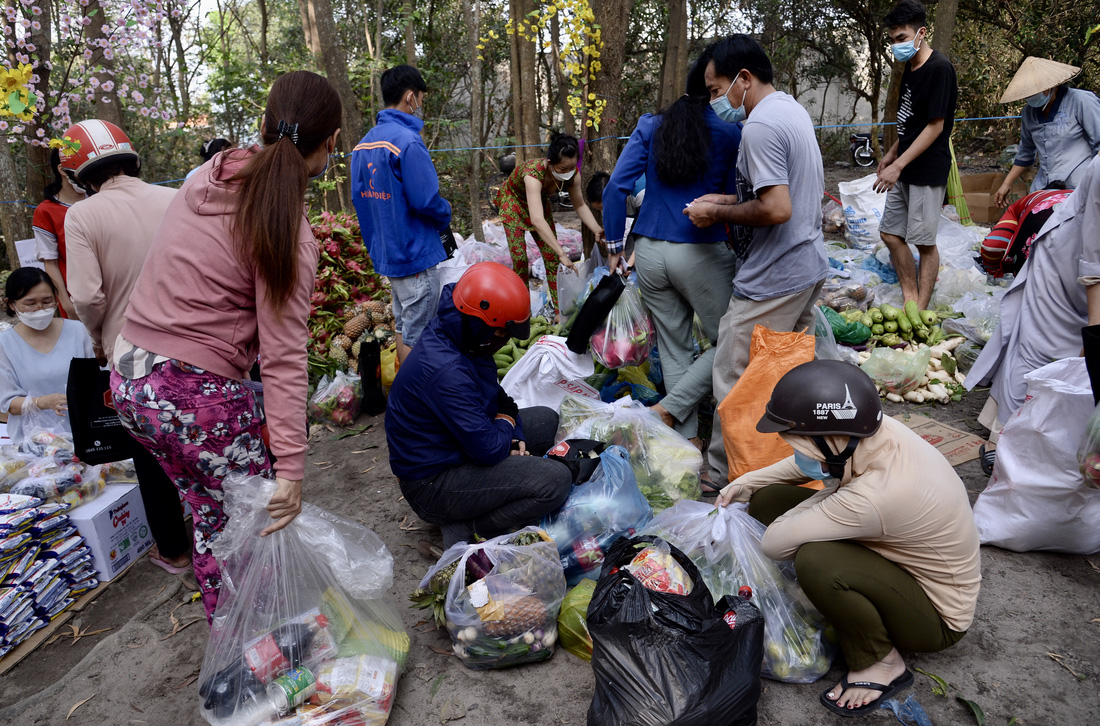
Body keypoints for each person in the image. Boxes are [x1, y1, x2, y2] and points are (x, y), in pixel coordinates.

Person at [110, 71, 339, 619]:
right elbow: (283, 360)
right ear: (331, 143)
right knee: (256, 531)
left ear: (263, 125)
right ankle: (262, 658)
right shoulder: (287, 231)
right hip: (191, 395)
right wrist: (291, 471)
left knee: (215, 518)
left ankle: (231, 655)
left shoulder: (206, 177)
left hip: (130, 381)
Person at [718, 360, 980, 717]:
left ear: (837, 438)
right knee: (767, 498)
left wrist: (819, 501)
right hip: (892, 557)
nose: (797, 452)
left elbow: (774, 543)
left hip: (934, 617)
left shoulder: (880, 494)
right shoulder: (869, 431)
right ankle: (842, 609)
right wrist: (747, 482)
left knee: (818, 562)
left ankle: (881, 663)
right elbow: (819, 461)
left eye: (800, 444)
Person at [682, 34, 828, 485]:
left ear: (743, 79)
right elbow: (777, 191)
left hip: (774, 273)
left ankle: (731, 477)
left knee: (734, 371)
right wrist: (724, 198)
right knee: (787, 374)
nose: (713, 101)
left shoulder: (760, 126)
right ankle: (796, 466)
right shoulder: (790, 110)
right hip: (806, 264)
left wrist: (715, 212)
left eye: (714, 89)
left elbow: (777, 208)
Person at [61, 119, 191, 576]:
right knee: (199, 440)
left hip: (133, 357)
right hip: (197, 344)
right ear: (131, 158)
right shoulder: (175, 198)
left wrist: (98, 338)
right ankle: (224, 532)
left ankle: (175, 551)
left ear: (80, 175)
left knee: (148, 453)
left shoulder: (82, 215)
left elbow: (87, 297)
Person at [603, 50, 741, 456]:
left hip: (646, 250)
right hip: (699, 251)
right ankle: (672, 409)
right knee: (732, 342)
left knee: (675, 344)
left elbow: (615, 189)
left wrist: (614, 247)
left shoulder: (652, 125)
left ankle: (687, 443)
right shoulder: (730, 132)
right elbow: (734, 199)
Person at [386, 262, 572, 548]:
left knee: (547, 419)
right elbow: (487, 448)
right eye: (502, 334)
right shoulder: (446, 370)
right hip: (433, 483)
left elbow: (502, 401)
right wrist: (506, 426)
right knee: (555, 482)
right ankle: (468, 527)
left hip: (455, 448)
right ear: (480, 322)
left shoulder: (462, 335)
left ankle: (494, 490)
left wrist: (511, 430)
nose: (504, 341)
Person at [967, 154, 1100, 462]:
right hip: (1063, 256)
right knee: (1038, 348)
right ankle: (1004, 438)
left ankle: (1062, 438)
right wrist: (1094, 337)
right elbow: (1094, 266)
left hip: (1084, 256)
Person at [351, 64, 452, 365]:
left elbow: (361, 201)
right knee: (419, 336)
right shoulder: (407, 142)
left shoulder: (363, 144)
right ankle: (413, 402)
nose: (420, 106)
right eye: (420, 99)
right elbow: (425, 200)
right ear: (410, 97)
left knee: (403, 324)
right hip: (414, 252)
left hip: (389, 253)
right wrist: (445, 212)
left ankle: (399, 391)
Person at [875, 0, 958, 310]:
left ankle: (920, 308)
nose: (897, 45)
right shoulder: (910, 68)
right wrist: (891, 153)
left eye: (902, 38)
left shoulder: (940, 69)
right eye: (893, 39)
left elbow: (935, 127)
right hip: (905, 165)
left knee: (924, 242)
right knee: (890, 233)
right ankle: (909, 297)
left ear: (921, 33)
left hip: (927, 169)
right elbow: (911, 123)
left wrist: (898, 165)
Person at [494, 133, 605, 311]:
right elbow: (537, 220)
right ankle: (521, 308)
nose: (567, 172)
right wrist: (562, 252)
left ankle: (559, 309)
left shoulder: (572, 175)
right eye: (562, 168)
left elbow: (580, 205)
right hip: (513, 203)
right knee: (521, 259)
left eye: (571, 167)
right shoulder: (533, 174)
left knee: (552, 258)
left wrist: (596, 229)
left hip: (538, 204)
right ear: (550, 162)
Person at [0, 268, 94, 445]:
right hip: (35, 443)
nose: (40, 309)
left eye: (47, 301)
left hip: (86, 435)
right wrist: (43, 402)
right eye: (30, 303)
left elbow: (97, 381)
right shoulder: (4, 345)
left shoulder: (79, 331)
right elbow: (9, 404)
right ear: (11, 304)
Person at [996, 57, 1100, 203]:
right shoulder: (1029, 113)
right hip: (1045, 187)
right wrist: (1006, 184)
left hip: (1080, 184)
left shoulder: (1081, 101)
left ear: (1049, 86)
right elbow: (1026, 152)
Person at [33, 148, 85, 319]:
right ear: (62, 169)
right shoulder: (46, 211)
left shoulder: (102, 199)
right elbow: (50, 262)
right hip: (76, 294)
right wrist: (66, 303)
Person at [978, 185, 1072, 279]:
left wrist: (993, 273)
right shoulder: (1074, 193)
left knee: (1027, 272)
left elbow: (993, 245)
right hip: (1077, 215)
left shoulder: (1031, 198)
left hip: (1040, 210)